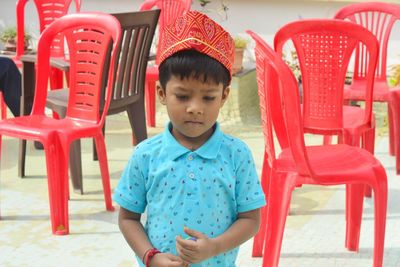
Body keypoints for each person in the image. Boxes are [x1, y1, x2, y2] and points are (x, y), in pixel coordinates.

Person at [113, 10, 266, 267]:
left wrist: (214, 247)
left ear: (224, 96)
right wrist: (151, 257)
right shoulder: (145, 155)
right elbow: (128, 218)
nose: (195, 107)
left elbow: (251, 219)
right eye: (182, 96)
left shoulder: (236, 154)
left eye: (208, 97)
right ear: (162, 93)